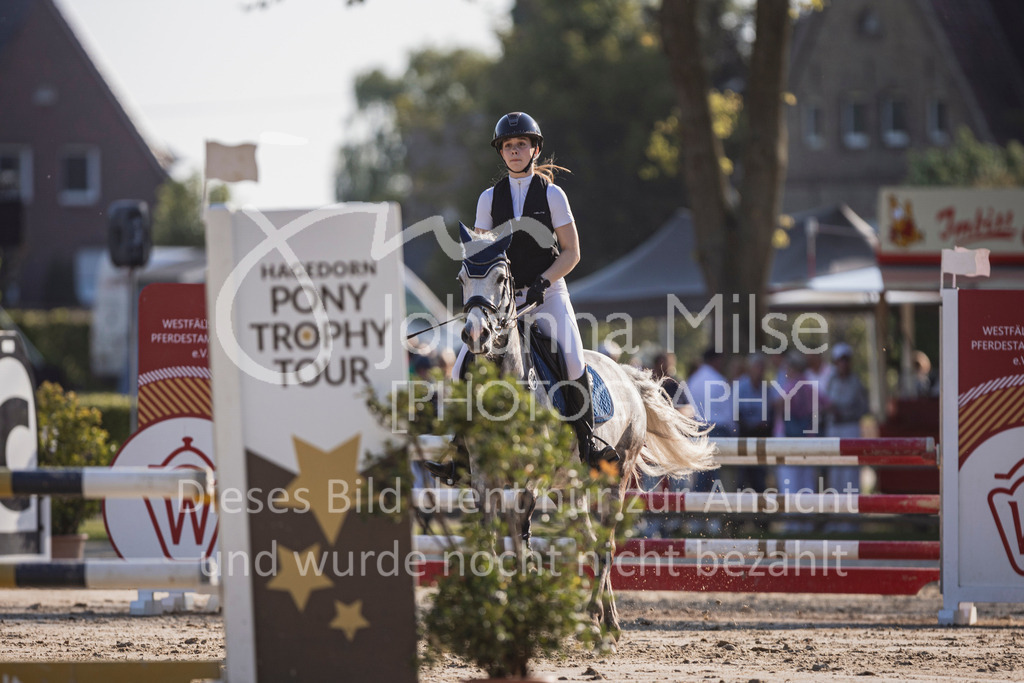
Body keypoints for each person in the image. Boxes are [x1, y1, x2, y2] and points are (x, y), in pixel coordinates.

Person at [445, 111, 615, 471]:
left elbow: (572, 252)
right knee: (461, 363)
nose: (514, 150)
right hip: (504, 301)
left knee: (571, 358)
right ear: (501, 152)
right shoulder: (488, 199)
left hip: (549, 292)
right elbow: (481, 252)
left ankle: (589, 445)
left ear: (535, 149)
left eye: (521, 144)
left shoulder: (552, 194)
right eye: (508, 146)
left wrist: (543, 281)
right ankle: (461, 451)